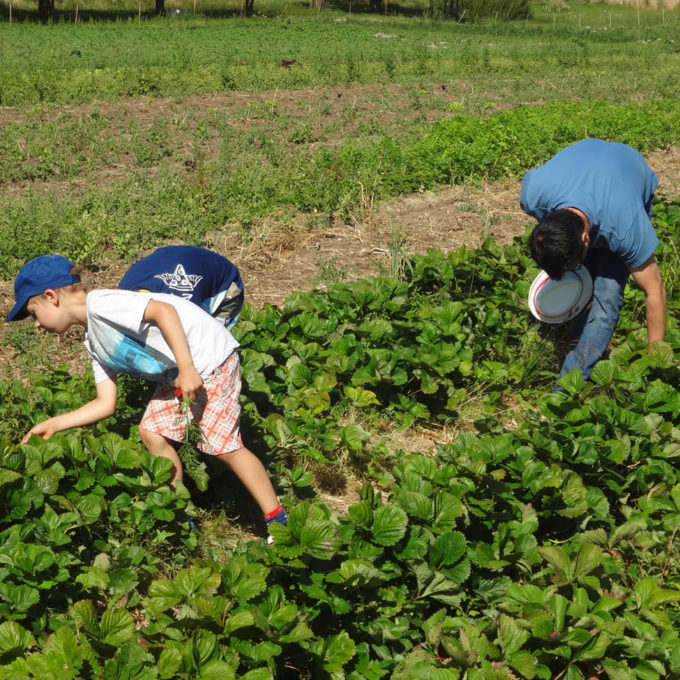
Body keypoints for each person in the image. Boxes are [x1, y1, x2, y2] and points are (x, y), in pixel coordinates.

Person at [6, 254, 287, 536]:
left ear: (51, 296)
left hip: (208, 358)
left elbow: (163, 311)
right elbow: (106, 403)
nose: (37, 325)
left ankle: (277, 519)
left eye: (33, 314)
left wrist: (188, 367)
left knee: (223, 445)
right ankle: (180, 511)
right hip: (180, 370)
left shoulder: (103, 304)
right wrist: (54, 424)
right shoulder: (93, 341)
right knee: (151, 432)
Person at [520, 138, 667, 382]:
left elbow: (655, 292)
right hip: (585, 154)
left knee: (606, 297)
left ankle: (568, 385)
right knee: (579, 281)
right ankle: (577, 331)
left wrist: (656, 367)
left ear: (587, 238)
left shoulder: (625, 226)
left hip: (626, 167)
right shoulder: (533, 196)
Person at [118, 245, 244, 331]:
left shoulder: (184, 307)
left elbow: (191, 335)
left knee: (210, 347)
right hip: (176, 260)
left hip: (227, 284)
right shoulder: (122, 293)